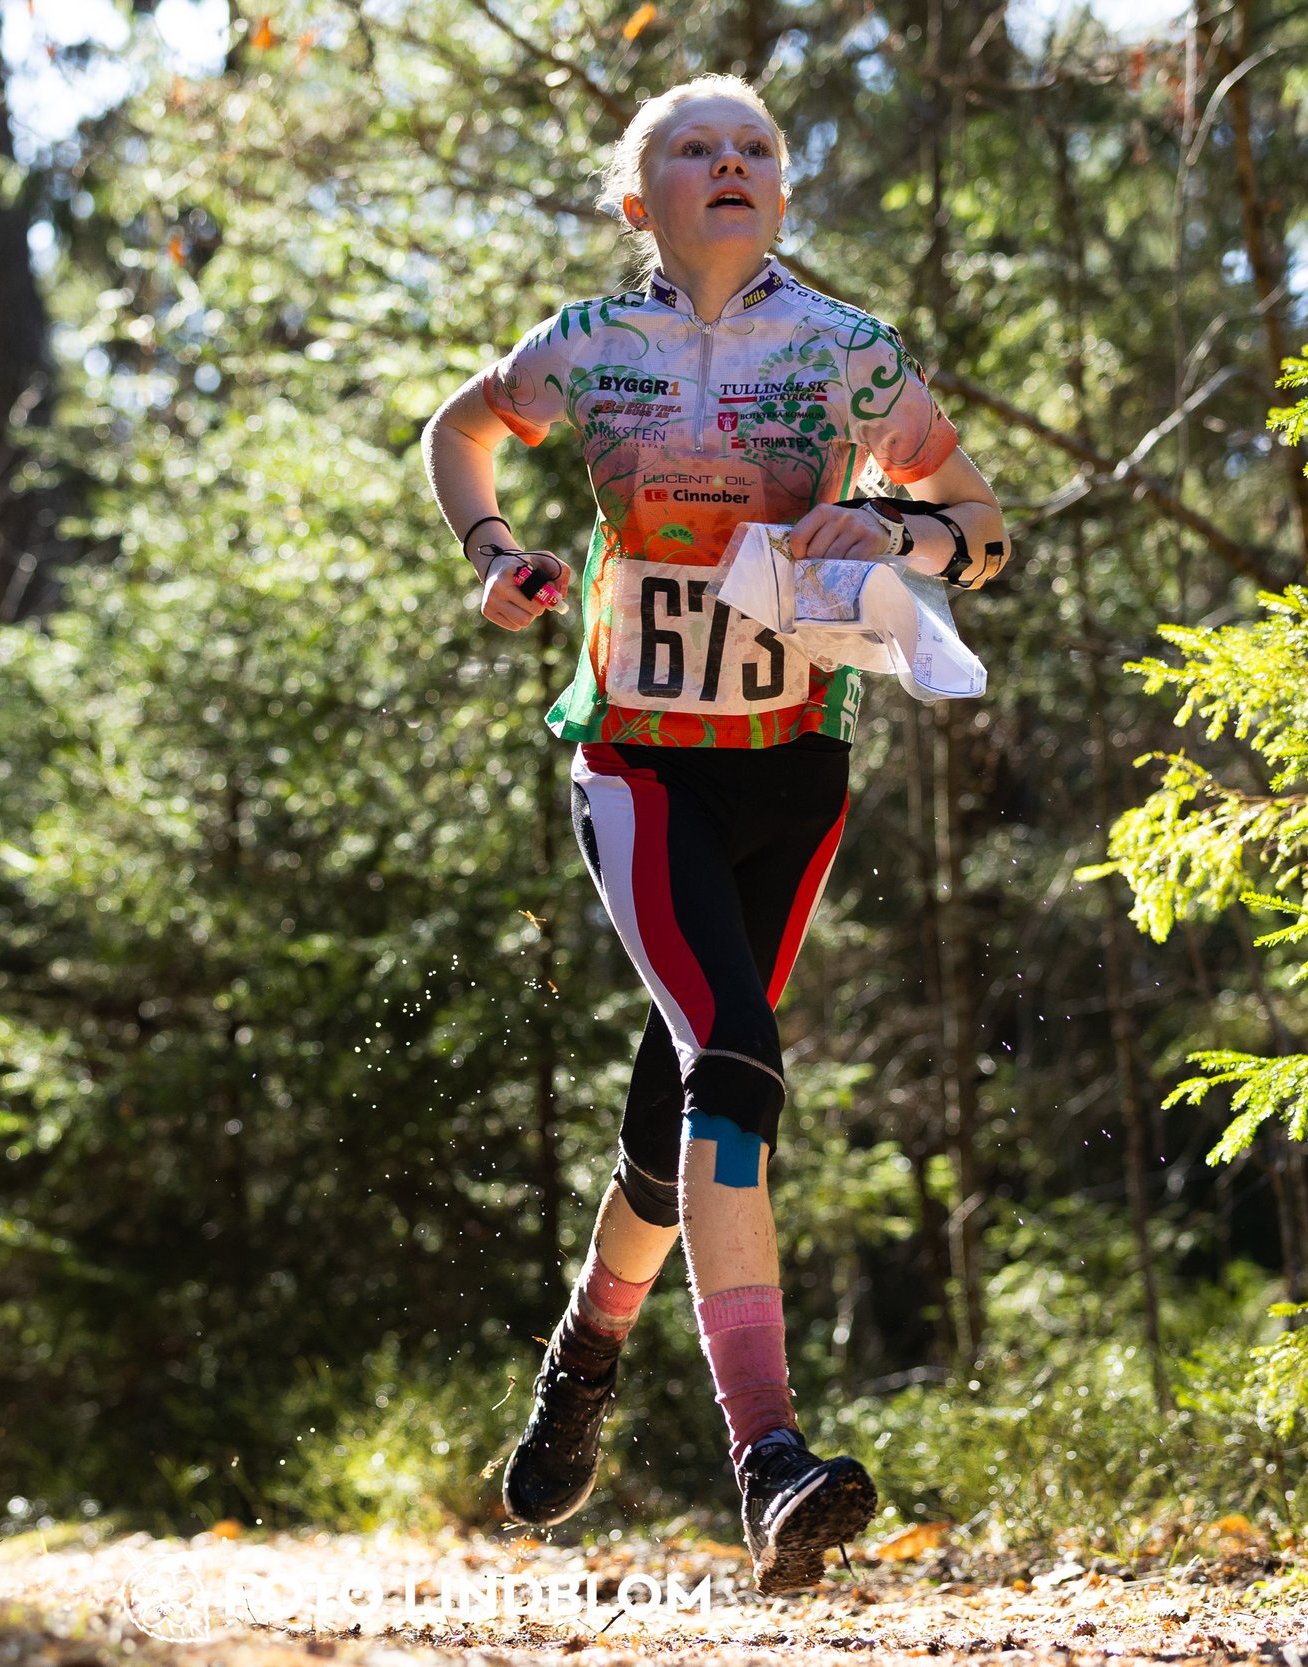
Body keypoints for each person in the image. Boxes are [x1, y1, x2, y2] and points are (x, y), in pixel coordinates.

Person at [420, 73, 1010, 1594]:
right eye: (696, 147)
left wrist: (893, 529)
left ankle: (584, 1358)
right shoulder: (588, 347)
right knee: (737, 1063)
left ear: (786, 197)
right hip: (634, 767)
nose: (730, 163)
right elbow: (456, 430)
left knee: (668, 1128)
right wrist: (494, 554)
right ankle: (771, 1460)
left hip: (791, 771)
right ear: (642, 200)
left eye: (757, 149)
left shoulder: (846, 355)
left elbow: (984, 528)